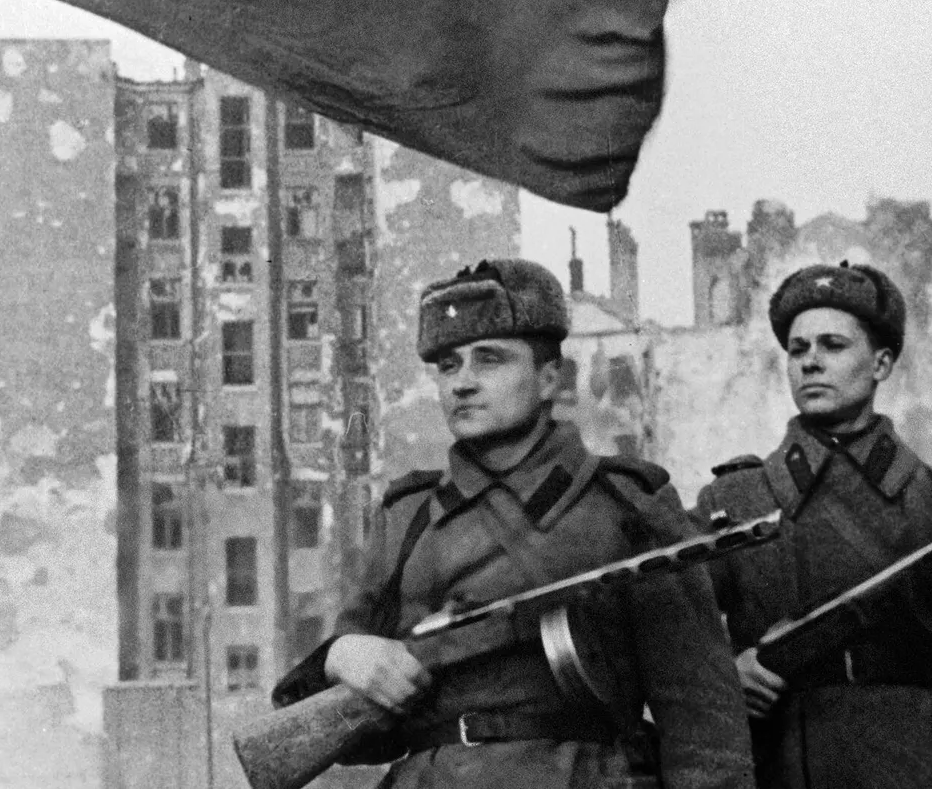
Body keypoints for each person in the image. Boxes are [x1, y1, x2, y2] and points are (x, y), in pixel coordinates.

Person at [272, 259, 754, 789]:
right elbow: (351, 729)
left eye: (490, 360)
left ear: (549, 378)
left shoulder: (626, 509)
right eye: (448, 366)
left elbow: (704, 725)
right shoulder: (406, 518)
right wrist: (344, 656)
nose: (463, 384)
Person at [694, 261, 932, 789]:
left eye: (833, 346)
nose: (810, 363)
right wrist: (725, 675)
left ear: (881, 363)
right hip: (786, 767)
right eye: (798, 350)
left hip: (926, 767)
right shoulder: (737, 500)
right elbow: (667, 644)